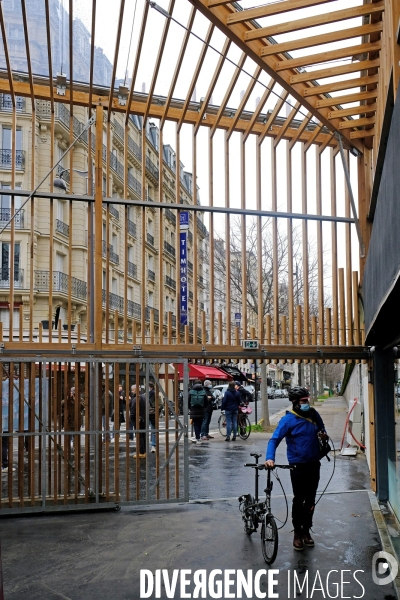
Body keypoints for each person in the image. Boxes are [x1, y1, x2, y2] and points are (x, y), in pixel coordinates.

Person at [265, 386, 329, 551]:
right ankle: (297, 533)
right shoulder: (288, 420)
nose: (307, 403)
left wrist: (323, 436)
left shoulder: (314, 414)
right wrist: (269, 458)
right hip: (297, 465)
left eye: (307, 400)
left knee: (310, 499)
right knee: (299, 499)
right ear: (294, 402)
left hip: (314, 463)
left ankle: (307, 531)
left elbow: (322, 430)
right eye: (303, 401)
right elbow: (274, 439)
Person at [130, 385, 146, 458]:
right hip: (143, 418)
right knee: (143, 434)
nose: (132, 392)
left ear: (135, 390)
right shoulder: (144, 396)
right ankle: (144, 451)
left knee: (139, 435)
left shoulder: (136, 398)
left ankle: (141, 452)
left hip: (137, 418)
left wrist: (132, 417)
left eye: (132, 390)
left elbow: (133, 409)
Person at [147, 383, 157, 453]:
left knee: (151, 430)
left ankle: (153, 444)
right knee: (153, 430)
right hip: (152, 414)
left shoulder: (147, 395)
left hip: (149, 414)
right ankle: (153, 445)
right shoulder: (154, 394)